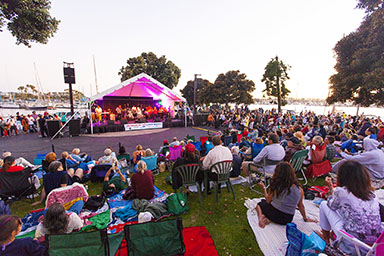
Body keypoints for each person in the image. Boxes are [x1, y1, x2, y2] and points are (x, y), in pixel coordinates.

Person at [319, 161, 382, 254]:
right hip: (373, 245)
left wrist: (331, 189)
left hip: (352, 243)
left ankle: (326, 240)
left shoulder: (342, 192)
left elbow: (331, 205)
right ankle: (330, 236)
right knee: (348, 212)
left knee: (323, 205)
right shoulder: (372, 195)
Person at [256, 162, 316, 228]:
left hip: (274, 213)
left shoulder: (276, 185)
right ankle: (269, 219)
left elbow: (268, 200)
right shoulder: (299, 189)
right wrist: (305, 218)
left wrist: (264, 188)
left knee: (260, 204)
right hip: (287, 219)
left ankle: (261, 218)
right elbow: (300, 206)